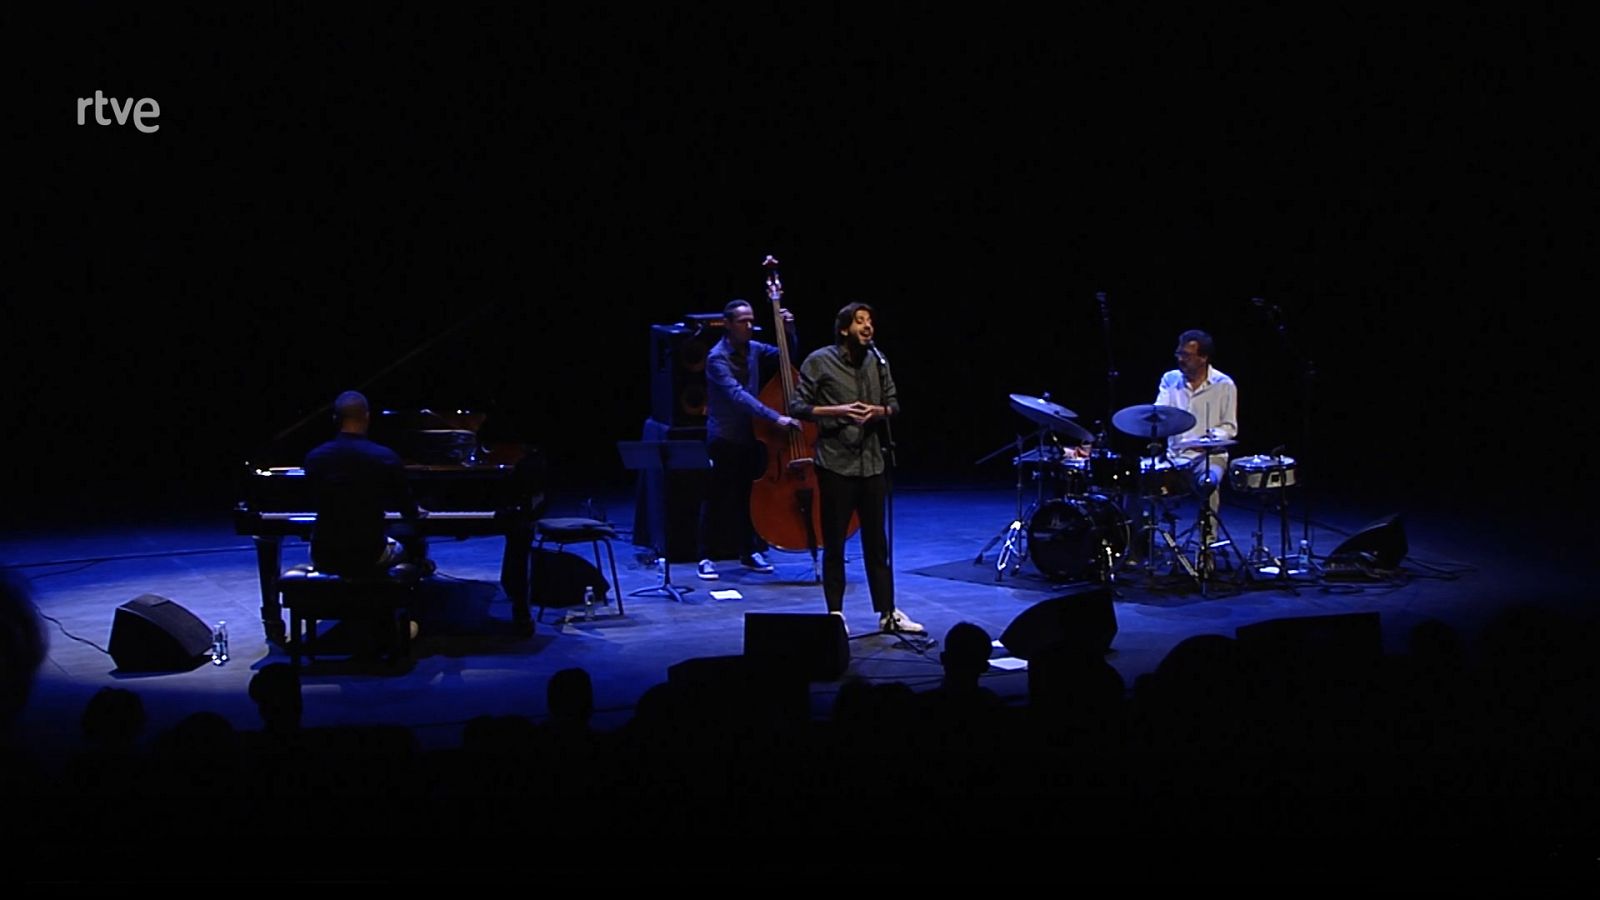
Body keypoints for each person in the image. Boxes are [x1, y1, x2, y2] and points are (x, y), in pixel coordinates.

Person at [791, 302, 923, 635]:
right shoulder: (819, 361)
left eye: (870, 321)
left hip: (872, 463)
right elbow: (797, 406)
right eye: (859, 321)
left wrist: (876, 412)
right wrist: (840, 410)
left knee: (877, 543)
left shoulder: (878, 362)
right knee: (834, 544)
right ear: (844, 328)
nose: (867, 327)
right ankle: (835, 613)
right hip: (835, 463)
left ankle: (888, 612)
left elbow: (894, 404)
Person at [696, 299, 801, 580]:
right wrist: (774, 417)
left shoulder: (754, 349)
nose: (749, 326)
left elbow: (785, 359)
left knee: (750, 497)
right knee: (717, 498)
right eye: (743, 321)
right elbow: (738, 396)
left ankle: (749, 551)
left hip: (751, 436)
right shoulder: (717, 357)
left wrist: (789, 331)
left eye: (752, 320)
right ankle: (705, 555)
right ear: (728, 324)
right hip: (725, 437)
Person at [303, 390, 433, 577]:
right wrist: (416, 510)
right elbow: (408, 511)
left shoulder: (314, 458)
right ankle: (405, 593)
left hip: (322, 554)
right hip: (369, 554)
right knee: (413, 544)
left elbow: (313, 501)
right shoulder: (385, 457)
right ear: (367, 417)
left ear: (335, 418)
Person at [1154, 329, 1238, 513]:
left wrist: (1208, 440)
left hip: (1208, 456)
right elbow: (1161, 413)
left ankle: (1207, 539)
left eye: (1187, 355)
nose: (1181, 359)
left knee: (1208, 482)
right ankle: (1150, 537)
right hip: (1175, 455)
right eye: (1179, 353)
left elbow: (1230, 427)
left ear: (1203, 358)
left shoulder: (1224, 384)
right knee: (1141, 482)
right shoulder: (1170, 379)